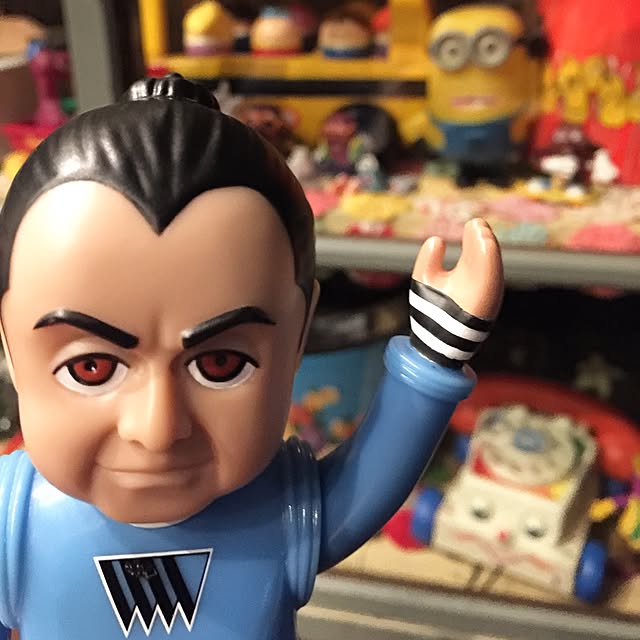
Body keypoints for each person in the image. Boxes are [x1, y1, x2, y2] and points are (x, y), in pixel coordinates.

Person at [0, 73, 503, 639]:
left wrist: (436, 355)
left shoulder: (277, 512)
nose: (157, 429)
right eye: (90, 368)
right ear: (9, 343)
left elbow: (368, 482)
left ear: (299, 335)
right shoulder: (13, 522)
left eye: (220, 364)